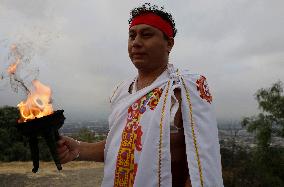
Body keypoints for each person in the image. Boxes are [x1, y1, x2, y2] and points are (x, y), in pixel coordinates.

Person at [57, 3, 223, 187]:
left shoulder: (186, 88)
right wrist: (79, 148)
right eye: (132, 35)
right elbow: (120, 146)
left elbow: (203, 163)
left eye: (146, 34)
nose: (136, 42)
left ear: (169, 43)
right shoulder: (121, 91)